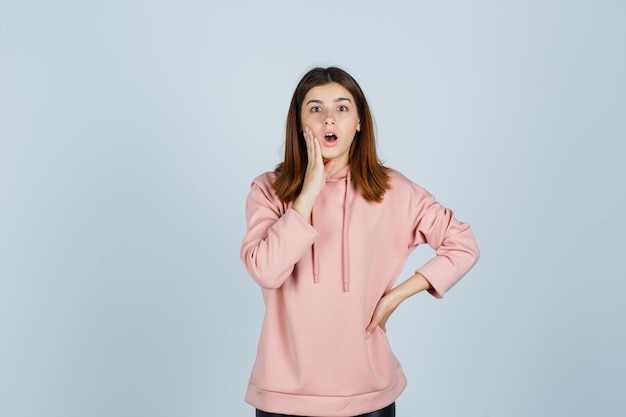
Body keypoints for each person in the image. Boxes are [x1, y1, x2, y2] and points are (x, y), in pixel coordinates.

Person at [240, 67, 479, 417]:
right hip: (283, 396)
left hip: (369, 395)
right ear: (299, 122)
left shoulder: (392, 191)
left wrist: (396, 296)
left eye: (342, 107)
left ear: (359, 122)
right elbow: (266, 270)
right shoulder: (269, 190)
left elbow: (462, 242)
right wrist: (308, 192)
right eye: (315, 108)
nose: (329, 119)